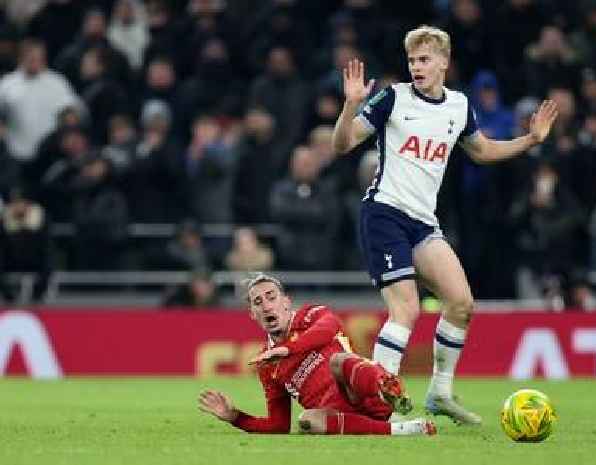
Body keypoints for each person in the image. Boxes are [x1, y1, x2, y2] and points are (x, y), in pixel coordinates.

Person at [331, 25, 557, 425]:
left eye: (424, 59)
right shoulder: (392, 98)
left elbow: (483, 150)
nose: (417, 67)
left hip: (422, 222)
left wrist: (531, 140)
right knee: (407, 308)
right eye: (412, 60)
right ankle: (376, 403)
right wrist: (350, 106)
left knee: (461, 303)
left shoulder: (458, 106)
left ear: (444, 63)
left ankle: (439, 392)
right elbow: (343, 144)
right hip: (385, 213)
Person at [198, 273, 436, 436]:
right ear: (253, 314)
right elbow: (279, 425)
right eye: (258, 302)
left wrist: (289, 349)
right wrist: (235, 417)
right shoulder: (267, 364)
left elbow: (328, 329)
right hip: (338, 416)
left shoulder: (311, 315)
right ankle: (402, 430)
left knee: (338, 360)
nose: (267, 306)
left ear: (286, 302)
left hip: (361, 392)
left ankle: (389, 390)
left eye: (271, 297)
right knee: (306, 421)